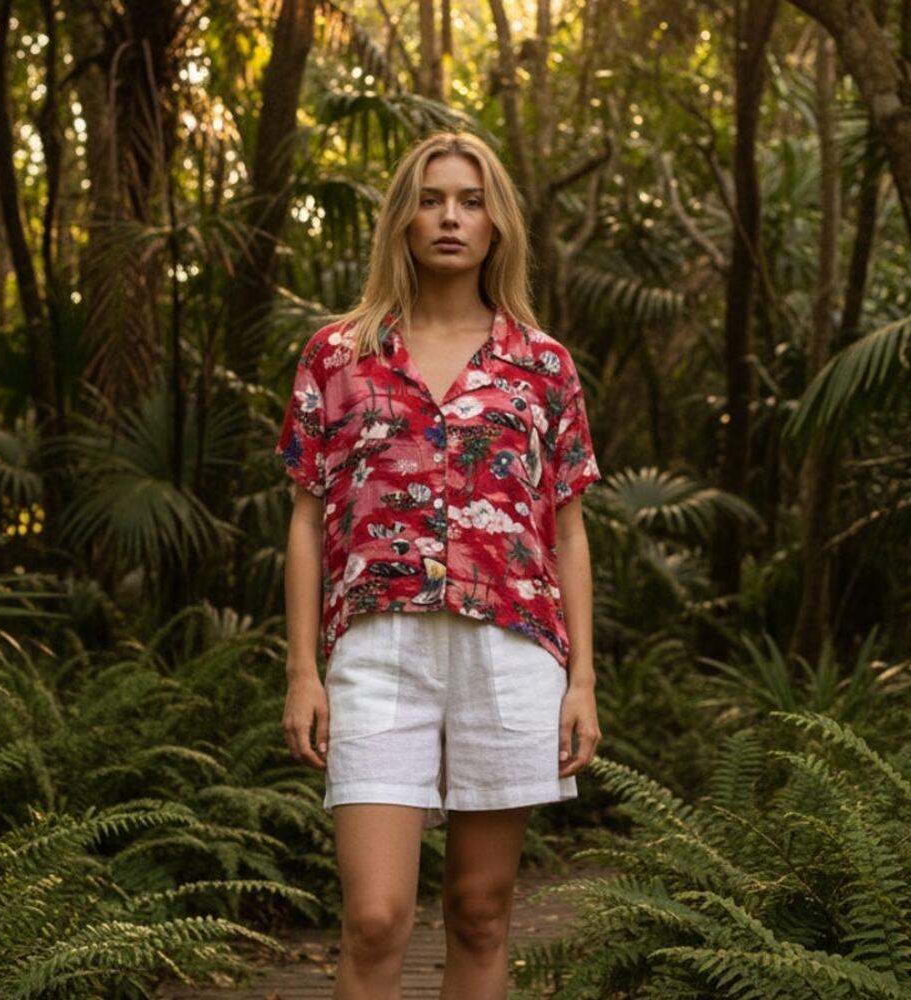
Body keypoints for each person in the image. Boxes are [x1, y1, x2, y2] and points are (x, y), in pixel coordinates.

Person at [274, 129, 602, 1000]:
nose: (450, 217)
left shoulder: (542, 365)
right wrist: (303, 671)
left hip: (512, 653)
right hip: (377, 652)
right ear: (401, 220)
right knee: (376, 917)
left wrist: (583, 683)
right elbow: (307, 521)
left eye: (469, 199)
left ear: (498, 224)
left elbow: (567, 529)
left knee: (481, 910)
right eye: (430, 199)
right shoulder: (337, 355)